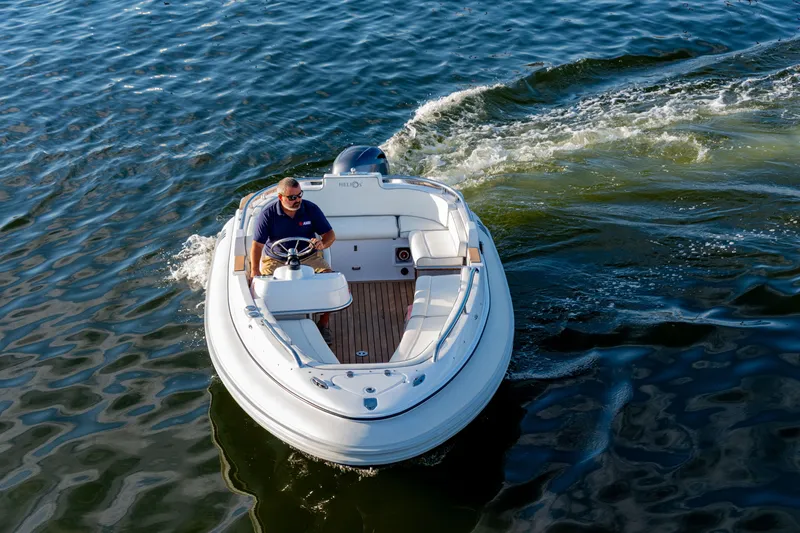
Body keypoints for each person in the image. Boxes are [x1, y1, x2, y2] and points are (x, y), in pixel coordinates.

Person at [248, 177, 336, 344]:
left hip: (308, 255)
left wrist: (322, 244)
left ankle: (323, 324)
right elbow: (257, 246)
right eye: (292, 197)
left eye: (299, 195)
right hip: (276, 258)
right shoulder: (268, 214)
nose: (297, 200)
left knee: (328, 281)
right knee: (261, 288)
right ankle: (267, 324)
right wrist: (254, 271)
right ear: (281, 197)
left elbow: (330, 235)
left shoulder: (310, 209)